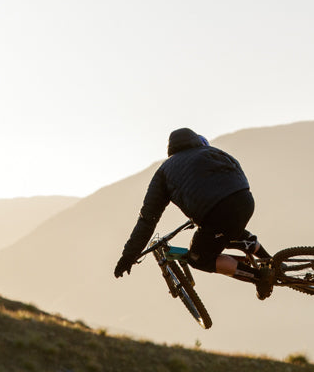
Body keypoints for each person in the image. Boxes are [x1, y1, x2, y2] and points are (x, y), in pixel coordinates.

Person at [113, 127, 275, 299]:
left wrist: (128, 256)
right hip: (245, 200)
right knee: (226, 230)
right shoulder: (212, 151)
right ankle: (270, 261)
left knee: (199, 257)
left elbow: (147, 219)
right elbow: (237, 168)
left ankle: (260, 278)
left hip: (216, 212)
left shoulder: (164, 172)